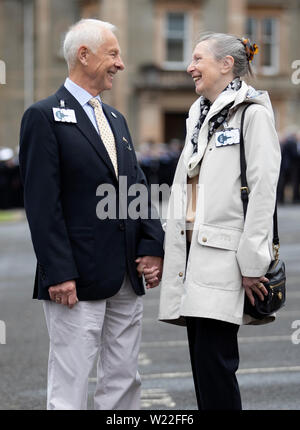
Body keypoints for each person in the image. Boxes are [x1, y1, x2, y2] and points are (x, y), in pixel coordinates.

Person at [19, 19, 164, 410]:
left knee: (124, 380)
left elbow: (136, 187)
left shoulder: (116, 119)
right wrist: (58, 272)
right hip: (75, 278)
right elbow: (41, 204)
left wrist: (153, 246)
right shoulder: (43, 116)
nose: (120, 63)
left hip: (126, 275)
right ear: (84, 55)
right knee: (71, 382)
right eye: (113, 53)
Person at [154, 33, 281, 410]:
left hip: (225, 259)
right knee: (203, 369)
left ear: (226, 64)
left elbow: (263, 191)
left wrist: (254, 262)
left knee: (217, 367)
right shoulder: (200, 113)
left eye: (198, 59)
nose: (190, 66)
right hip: (192, 256)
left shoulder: (253, 113)